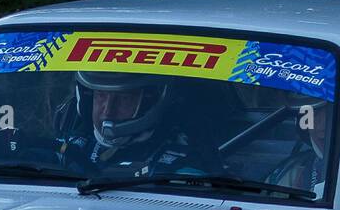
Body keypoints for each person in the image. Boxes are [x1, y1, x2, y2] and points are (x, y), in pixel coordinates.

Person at [56, 72, 219, 177]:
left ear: (150, 102)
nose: (107, 111)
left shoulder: (182, 164)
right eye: (101, 96)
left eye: (124, 98)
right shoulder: (77, 144)